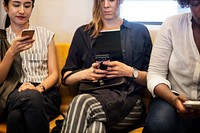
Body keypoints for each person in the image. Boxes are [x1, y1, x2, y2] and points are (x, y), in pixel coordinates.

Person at [61, 0, 152, 132]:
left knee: (81, 102)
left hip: (128, 101)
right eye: (101, 0)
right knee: (94, 128)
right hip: (92, 97)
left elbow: (153, 78)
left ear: (120, 1)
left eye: (111, 0)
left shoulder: (139, 31)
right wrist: (86, 73)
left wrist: (129, 72)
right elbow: (66, 78)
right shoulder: (83, 33)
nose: (106, 5)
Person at [0, 0, 61, 133]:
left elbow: (54, 74)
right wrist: (11, 52)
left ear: (32, 8)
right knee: (31, 98)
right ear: (5, 6)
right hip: (14, 93)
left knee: (15, 117)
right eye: (16, 5)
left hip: (46, 92)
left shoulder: (46, 35)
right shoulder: (2, 38)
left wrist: (37, 89)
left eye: (27, 6)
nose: (22, 10)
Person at [142, 0, 200, 133]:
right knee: (158, 125)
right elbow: (155, 74)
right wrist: (174, 99)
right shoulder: (171, 25)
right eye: (196, 3)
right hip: (171, 97)